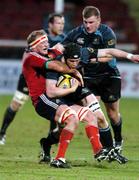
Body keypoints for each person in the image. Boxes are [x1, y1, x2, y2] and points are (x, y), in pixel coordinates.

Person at [61, 6, 139, 153]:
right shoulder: (75, 33)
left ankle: (118, 139)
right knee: (95, 113)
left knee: (113, 114)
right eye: (85, 22)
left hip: (109, 76)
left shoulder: (107, 33)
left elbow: (109, 56)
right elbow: (62, 48)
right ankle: (105, 148)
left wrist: (88, 58)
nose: (88, 25)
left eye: (91, 22)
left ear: (99, 20)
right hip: (88, 77)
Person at [22, 29, 110, 168]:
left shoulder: (53, 52)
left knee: (89, 116)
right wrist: (74, 71)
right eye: (42, 42)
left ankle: (98, 151)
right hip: (43, 99)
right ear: (33, 46)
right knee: (72, 119)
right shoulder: (31, 56)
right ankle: (59, 159)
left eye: (46, 40)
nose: (47, 43)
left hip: (61, 96)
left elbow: (69, 52)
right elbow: (54, 65)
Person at [0, 13, 66, 145]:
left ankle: (51, 137)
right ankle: (2, 133)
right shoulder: (40, 37)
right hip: (29, 77)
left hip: (49, 78)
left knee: (55, 105)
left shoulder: (63, 39)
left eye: (63, 23)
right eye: (58, 23)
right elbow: (27, 57)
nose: (61, 26)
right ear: (50, 24)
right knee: (16, 103)